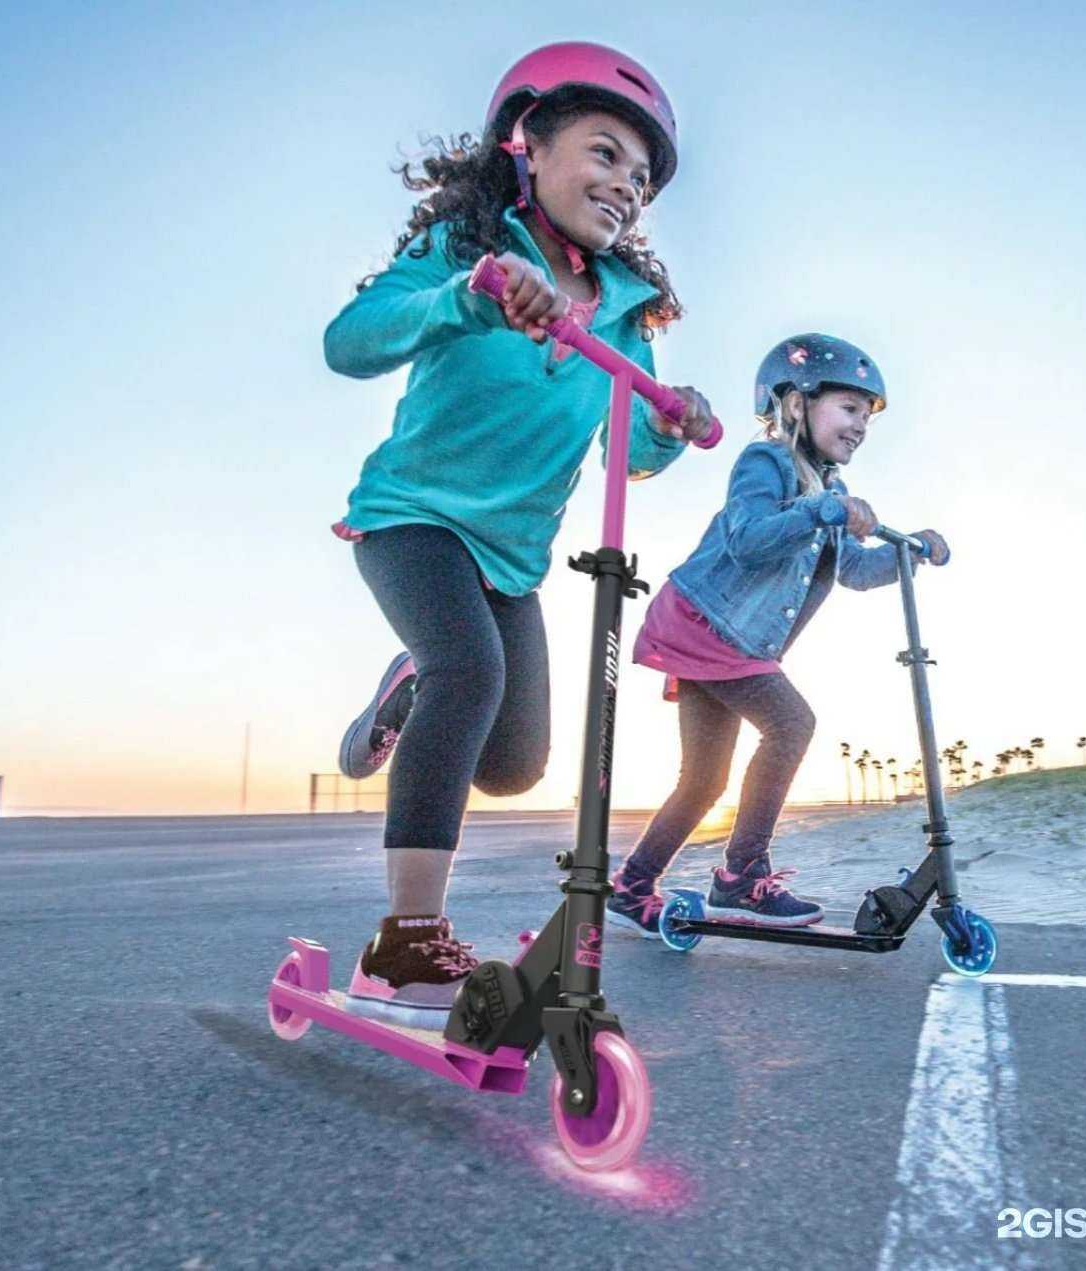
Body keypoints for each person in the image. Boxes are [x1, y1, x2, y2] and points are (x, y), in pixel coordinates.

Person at [324, 42, 719, 1027]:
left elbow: (626, 452)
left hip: (511, 559)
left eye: (640, 174)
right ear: (527, 147)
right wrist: (465, 298)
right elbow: (351, 341)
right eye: (603, 152)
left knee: (513, 763)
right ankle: (402, 943)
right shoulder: (469, 248)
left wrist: (669, 425)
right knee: (471, 670)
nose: (625, 184)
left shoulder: (627, 311)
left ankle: (411, 688)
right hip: (414, 517)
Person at [606, 334, 950, 936]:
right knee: (792, 724)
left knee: (704, 779)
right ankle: (740, 874)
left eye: (866, 416)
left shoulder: (833, 492)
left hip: (733, 642)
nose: (860, 426)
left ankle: (633, 886)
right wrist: (822, 512)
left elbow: (852, 571)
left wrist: (909, 552)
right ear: (795, 405)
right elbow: (749, 538)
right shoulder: (764, 462)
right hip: (707, 624)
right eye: (848, 409)